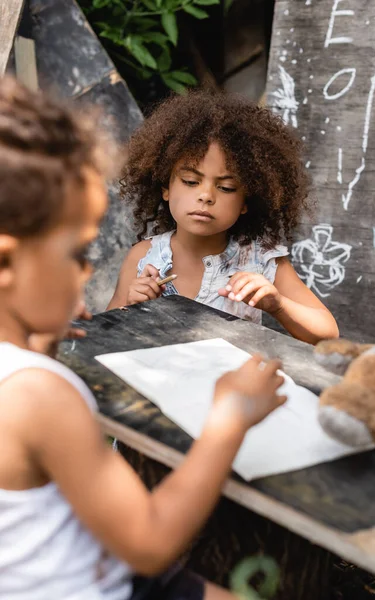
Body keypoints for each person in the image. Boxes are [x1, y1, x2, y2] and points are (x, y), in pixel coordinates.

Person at [0, 77, 287, 600]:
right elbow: (151, 542)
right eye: (77, 255)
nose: (85, 273)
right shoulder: (38, 395)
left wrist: (35, 337)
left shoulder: (19, 372)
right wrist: (228, 419)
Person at [108, 92, 339, 345]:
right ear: (166, 188)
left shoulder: (261, 261)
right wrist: (132, 306)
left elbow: (327, 333)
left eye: (226, 187)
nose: (206, 196)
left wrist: (278, 305)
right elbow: (106, 333)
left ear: (246, 203)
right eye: (190, 182)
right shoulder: (143, 257)